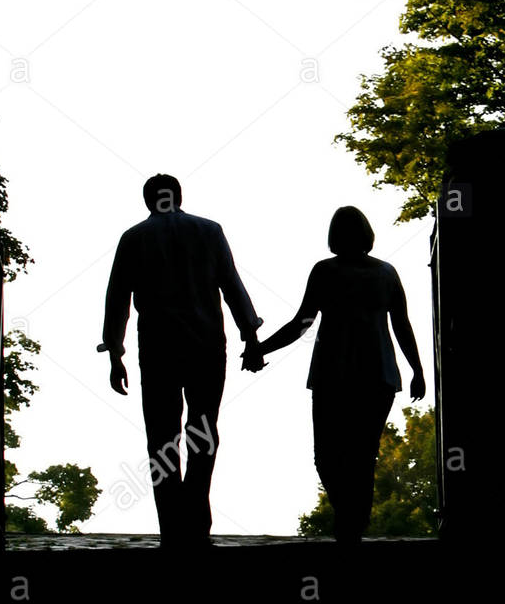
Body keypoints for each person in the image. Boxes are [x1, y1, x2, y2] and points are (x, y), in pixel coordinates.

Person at [99, 174, 265, 546]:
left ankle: (172, 525)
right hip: (207, 345)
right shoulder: (209, 231)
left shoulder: (133, 239)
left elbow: (117, 301)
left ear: (147, 202)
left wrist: (115, 352)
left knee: (162, 437)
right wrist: (250, 336)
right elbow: (232, 285)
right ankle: (197, 514)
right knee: (203, 429)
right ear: (178, 196)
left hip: (158, 350)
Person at [254, 206, 425, 543]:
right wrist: (416, 369)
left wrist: (262, 348)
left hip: (333, 375)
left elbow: (301, 323)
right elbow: (402, 326)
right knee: (363, 454)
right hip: (379, 376)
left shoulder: (324, 272)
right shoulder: (387, 273)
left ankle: (349, 521)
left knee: (328, 456)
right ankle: (353, 523)